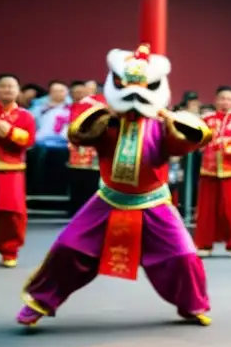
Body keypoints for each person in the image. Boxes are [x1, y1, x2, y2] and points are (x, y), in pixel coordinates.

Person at [17, 45, 213, 327]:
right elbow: (79, 135)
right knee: (68, 248)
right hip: (107, 200)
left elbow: (189, 141)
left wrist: (171, 119)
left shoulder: (161, 124)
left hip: (154, 202)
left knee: (183, 255)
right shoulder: (105, 120)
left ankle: (193, 305)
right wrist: (104, 114)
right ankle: (40, 301)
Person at [194, 86, 231, 257]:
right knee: (206, 209)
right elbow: (197, 140)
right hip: (208, 170)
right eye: (223, 98)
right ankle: (204, 244)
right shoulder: (206, 119)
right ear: (216, 100)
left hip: (230, 170)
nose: (226, 102)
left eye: (230, 99)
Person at [0, 74, 36, 268]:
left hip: (12, 170)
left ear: (18, 91)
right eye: (3, 86)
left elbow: (28, 140)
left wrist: (5, 129)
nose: (7, 90)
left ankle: (9, 250)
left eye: (11, 86)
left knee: (12, 212)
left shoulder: (25, 116)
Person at [65, 80, 103, 215]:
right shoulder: (75, 105)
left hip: (94, 147)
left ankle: (89, 209)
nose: (79, 93)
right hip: (77, 147)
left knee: (92, 179)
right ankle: (76, 207)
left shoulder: (101, 103)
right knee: (77, 177)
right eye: (76, 92)